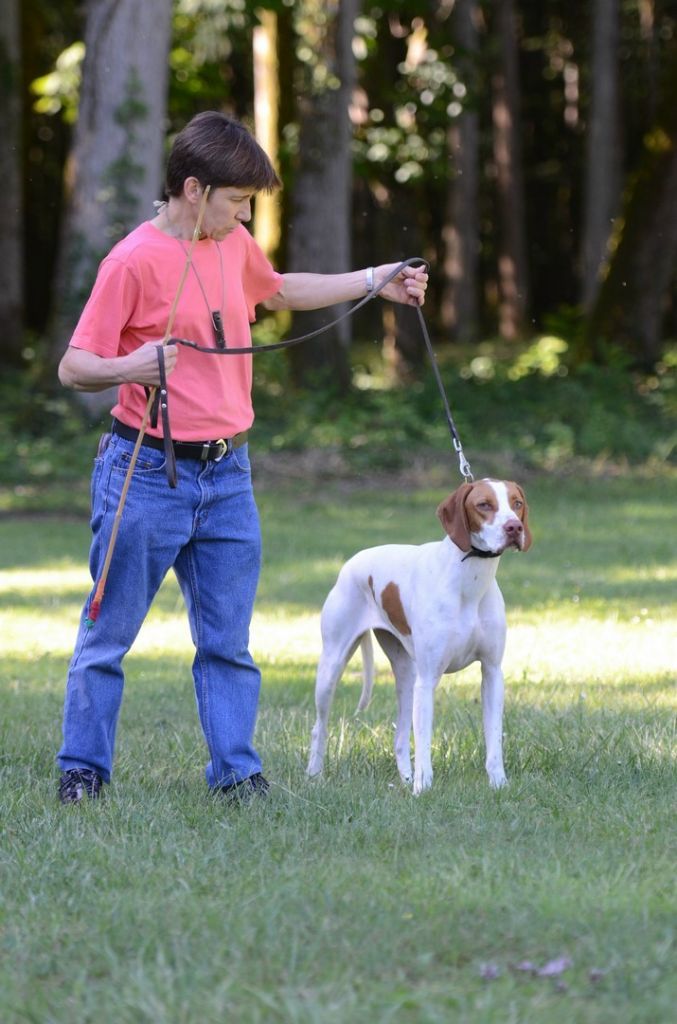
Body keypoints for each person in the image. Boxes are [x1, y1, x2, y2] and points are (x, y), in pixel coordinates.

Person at [56, 110, 428, 805]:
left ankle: (235, 775)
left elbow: (278, 289)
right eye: (237, 200)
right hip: (146, 471)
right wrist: (132, 366)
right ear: (194, 190)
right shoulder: (131, 261)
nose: (245, 215)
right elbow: (74, 367)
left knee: (227, 641)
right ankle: (82, 771)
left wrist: (375, 279)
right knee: (108, 635)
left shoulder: (231, 242)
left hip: (228, 474)